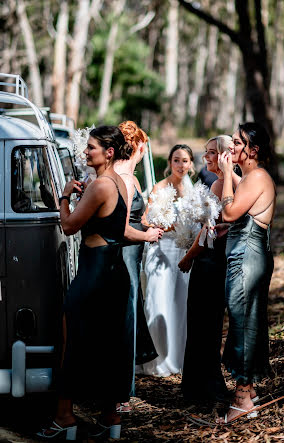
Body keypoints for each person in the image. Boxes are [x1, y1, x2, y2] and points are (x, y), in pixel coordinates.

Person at [37, 126, 132, 440]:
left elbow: (67, 226)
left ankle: (64, 417)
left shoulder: (100, 184)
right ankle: (109, 415)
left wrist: (65, 194)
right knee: (109, 343)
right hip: (116, 271)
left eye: (91, 147)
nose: (85, 151)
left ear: (108, 152)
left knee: (70, 340)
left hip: (95, 271)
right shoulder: (121, 182)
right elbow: (114, 224)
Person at [217, 122, 276, 424]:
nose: (232, 147)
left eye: (239, 143)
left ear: (253, 150)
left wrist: (228, 175)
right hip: (248, 255)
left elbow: (229, 212)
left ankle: (241, 397)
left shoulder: (257, 177)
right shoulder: (252, 177)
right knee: (247, 320)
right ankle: (248, 391)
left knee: (242, 323)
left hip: (247, 258)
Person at [178, 135, 233, 404]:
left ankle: (205, 388)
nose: (206, 157)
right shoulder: (227, 183)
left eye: (212, 153)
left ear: (225, 155)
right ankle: (200, 386)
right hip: (215, 259)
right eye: (206, 152)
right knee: (205, 325)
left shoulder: (220, 185)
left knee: (203, 324)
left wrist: (188, 257)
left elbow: (208, 233)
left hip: (211, 262)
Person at [114, 121, 163, 411]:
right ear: (140, 147)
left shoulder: (125, 174)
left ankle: (121, 388)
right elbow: (119, 226)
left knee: (128, 316)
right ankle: (122, 393)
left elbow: (131, 217)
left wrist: (148, 222)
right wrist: (147, 234)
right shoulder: (126, 177)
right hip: (125, 256)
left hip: (132, 255)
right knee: (126, 318)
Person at [137, 144, 195, 377]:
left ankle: (179, 357)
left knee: (181, 303)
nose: (181, 165)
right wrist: (161, 225)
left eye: (185, 161)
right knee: (159, 300)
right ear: (170, 163)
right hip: (162, 250)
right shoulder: (160, 188)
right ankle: (158, 359)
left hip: (184, 251)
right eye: (176, 160)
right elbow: (144, 219)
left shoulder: (193, 191)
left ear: (191, 164)